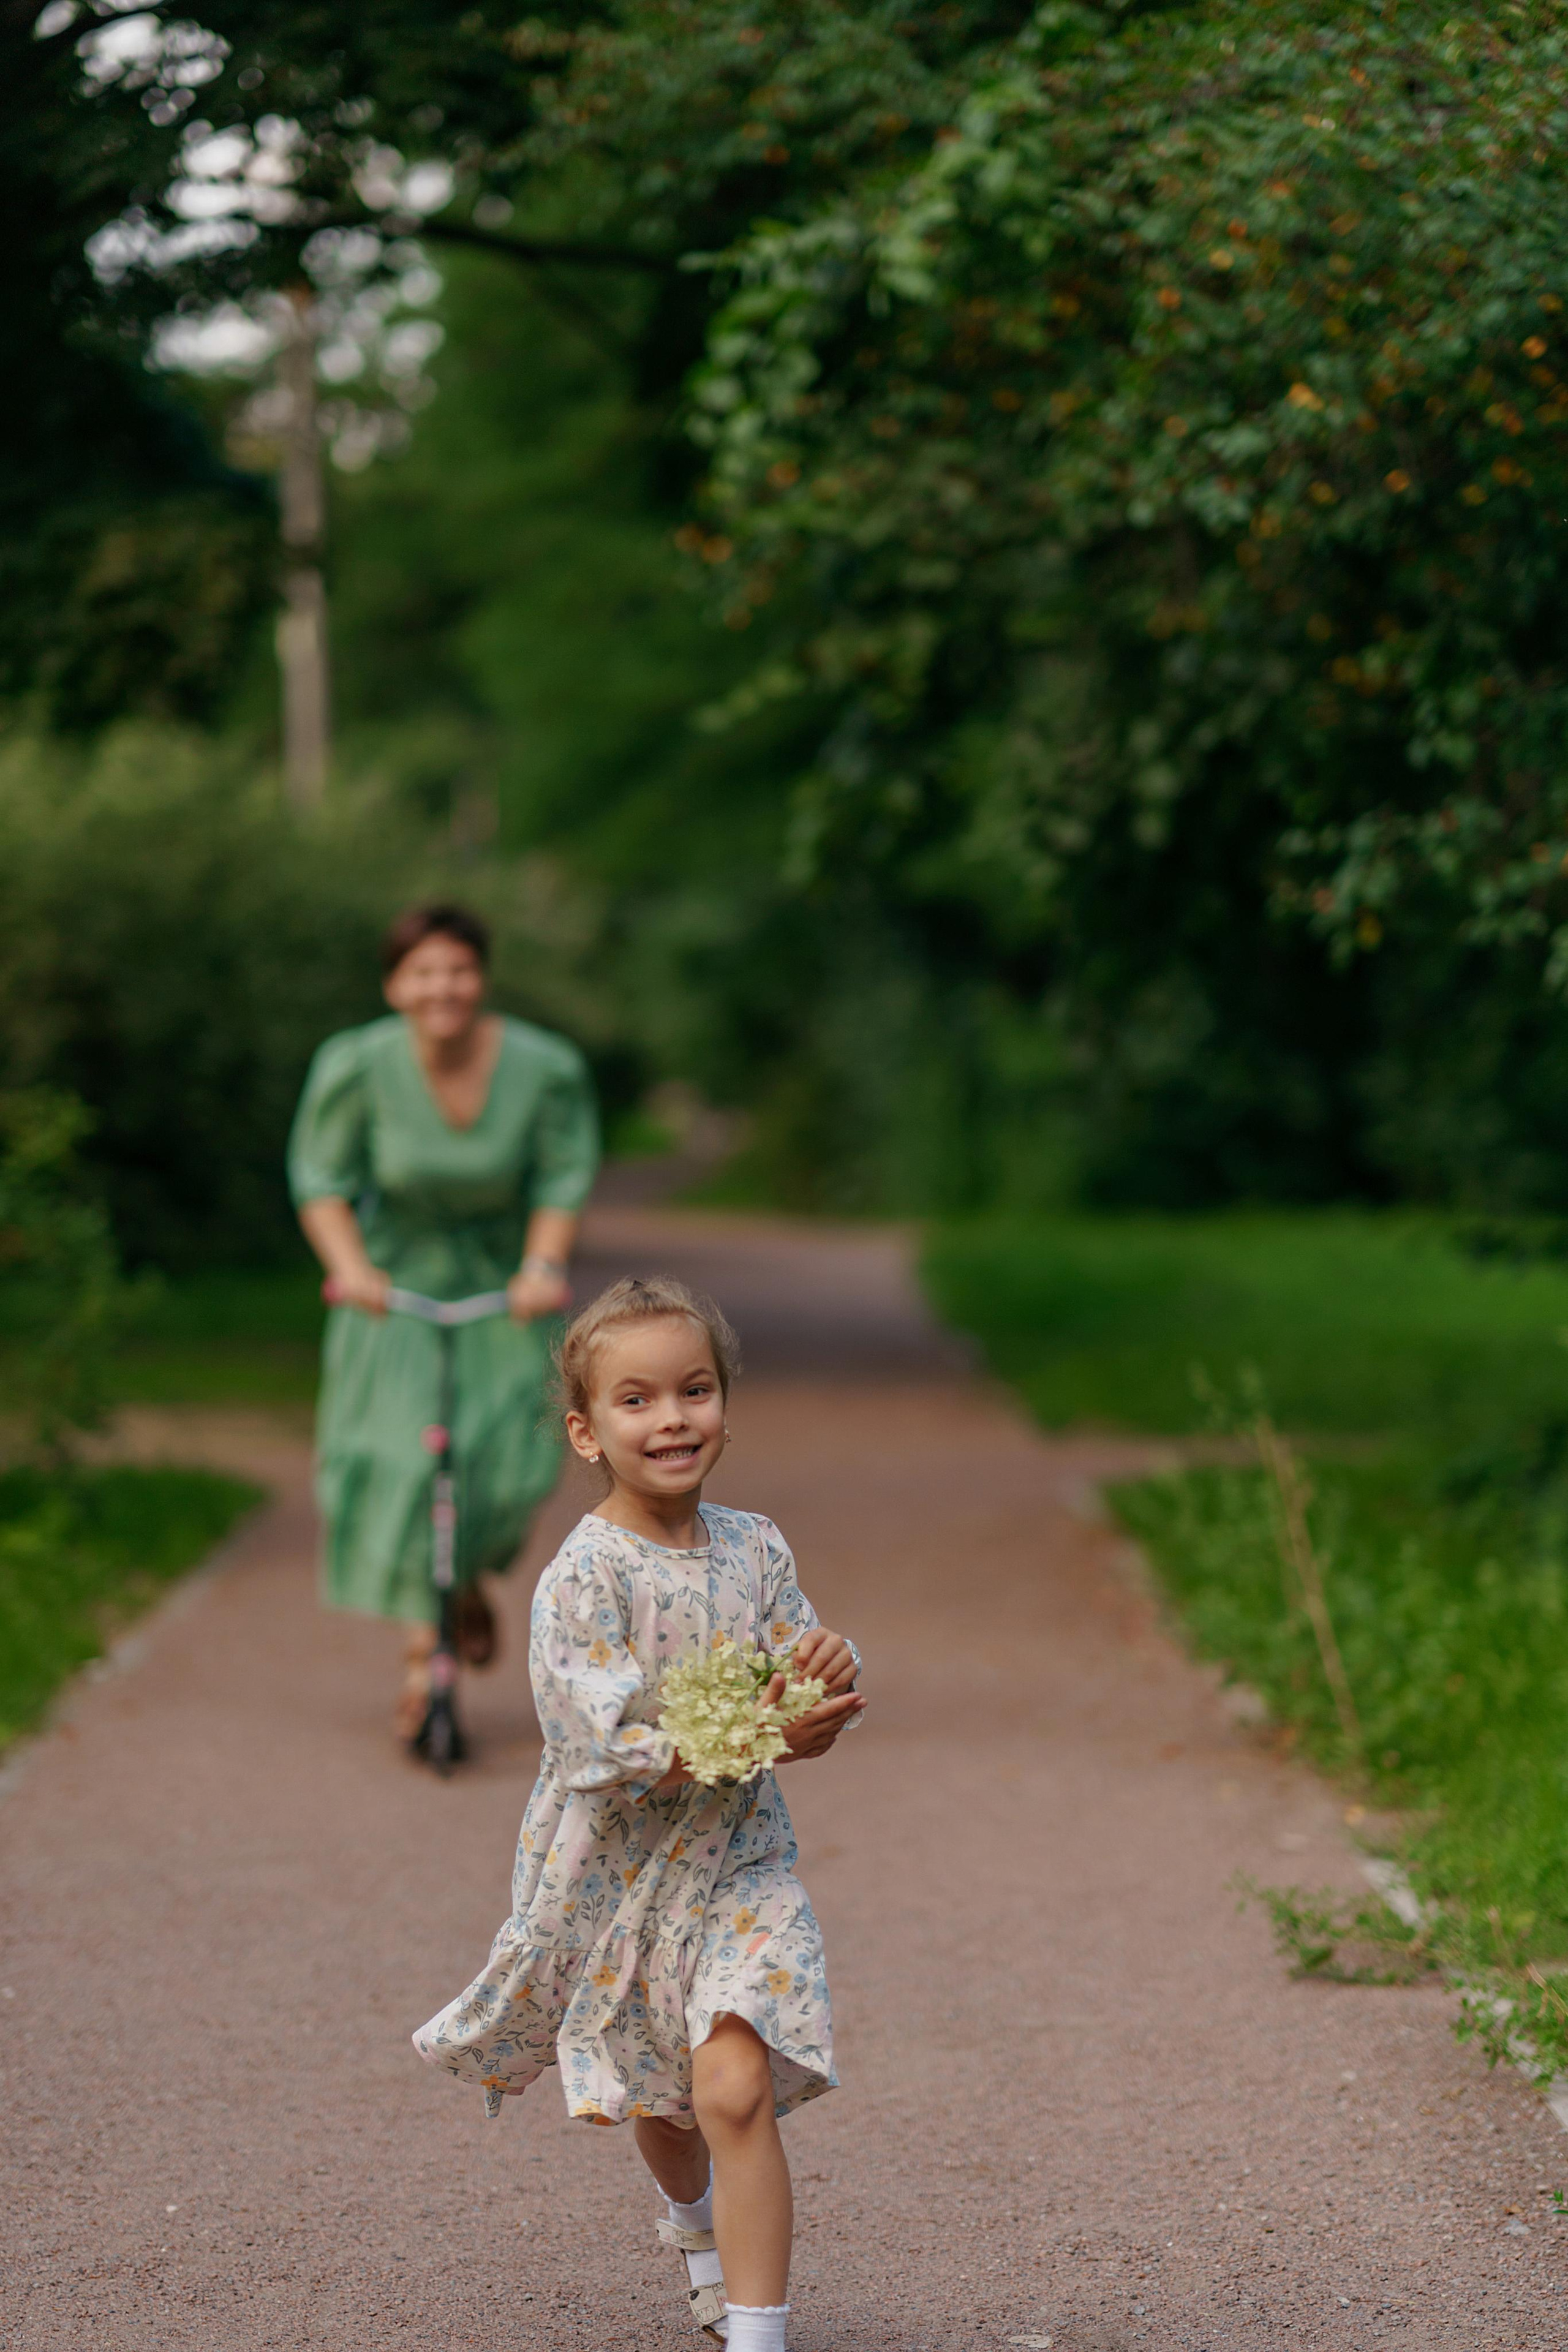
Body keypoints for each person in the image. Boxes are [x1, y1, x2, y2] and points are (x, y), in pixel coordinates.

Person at [413, 1275, 865, 2352]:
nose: (672, 1420)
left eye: (694, 1391)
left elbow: (797, 1670)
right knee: (667, 2102)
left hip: (740, 1864)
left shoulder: (757, 1546)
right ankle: (695, 2231)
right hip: (613, 1883)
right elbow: (605, 1749)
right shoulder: (584, 1577)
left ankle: (759, 2337)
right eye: (637, 1400)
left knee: (735, 2086)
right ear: (587, 1431)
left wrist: (827, 1680)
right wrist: (763, 1736)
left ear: (721, 1403)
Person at [287, 901, 599, 1741]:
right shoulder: (354, 1064)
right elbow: (319, 1176)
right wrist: (351, 1268)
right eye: (423, 971)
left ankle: (463, 1585)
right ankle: (425, 1658)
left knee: (512, 1466)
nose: (443, 988)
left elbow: (561, 1175)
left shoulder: (545, 1066)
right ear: (394, 984)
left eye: (459, 970)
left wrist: (542, 1264)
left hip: (506, 1287)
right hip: (394, 1289)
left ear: (482, 978)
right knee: (402, 1464)